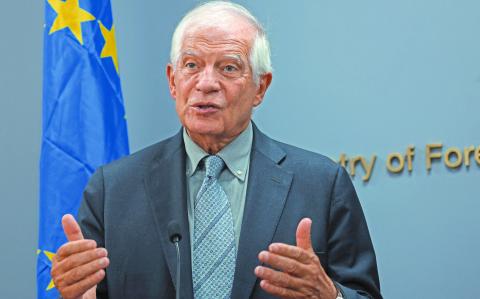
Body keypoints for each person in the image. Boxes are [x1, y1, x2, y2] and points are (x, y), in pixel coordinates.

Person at [51, 1, 382, 298]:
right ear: (172, 80)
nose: (205, 83)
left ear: (260, 88)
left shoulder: (322, 185)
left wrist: (329, 296)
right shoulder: (113, 190)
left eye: (228, 67)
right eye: (192, 65)